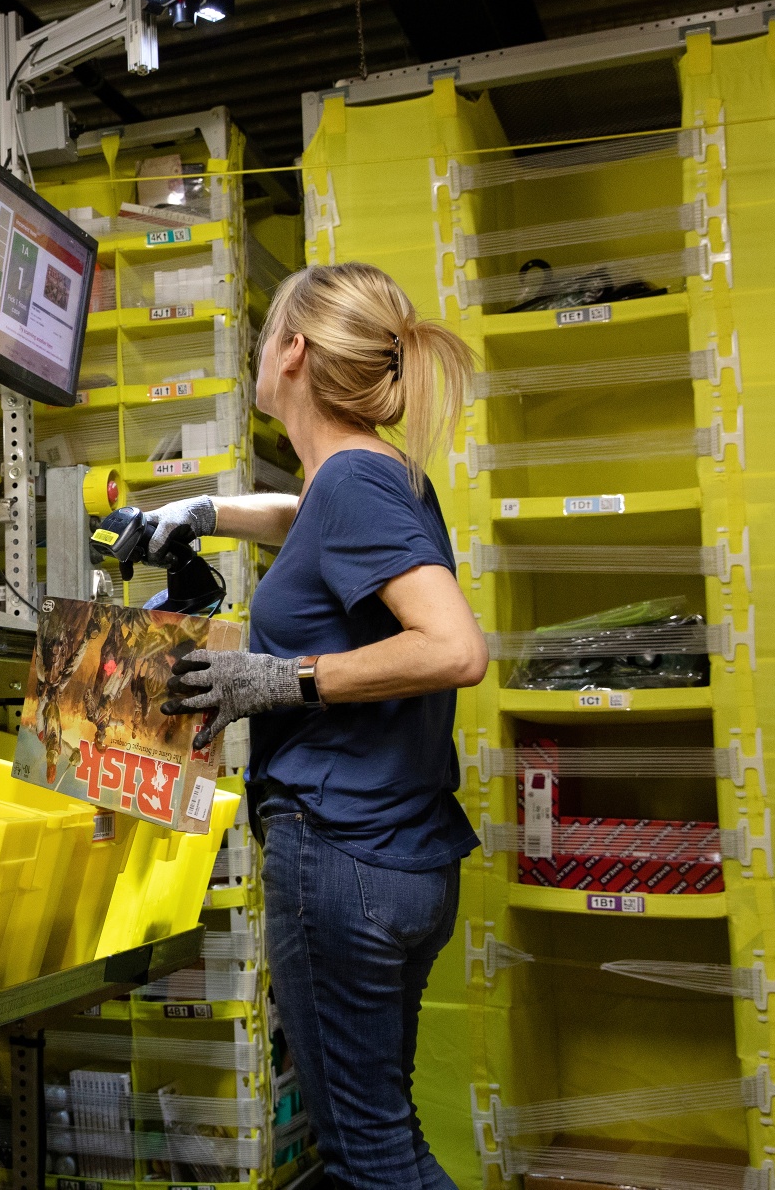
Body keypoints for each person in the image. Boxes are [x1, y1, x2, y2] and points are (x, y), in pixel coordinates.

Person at [147, 262, 487, 1190]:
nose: (260, 350)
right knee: (385, 1140)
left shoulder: (355, 488)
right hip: (400, 859)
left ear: (292, 351)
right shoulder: (370, 477)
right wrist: (206, 511)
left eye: (265, 334)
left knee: (372, 1159)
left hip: (343, 861)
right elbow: (311, 516)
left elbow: (455, 648)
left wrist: (282, 679)